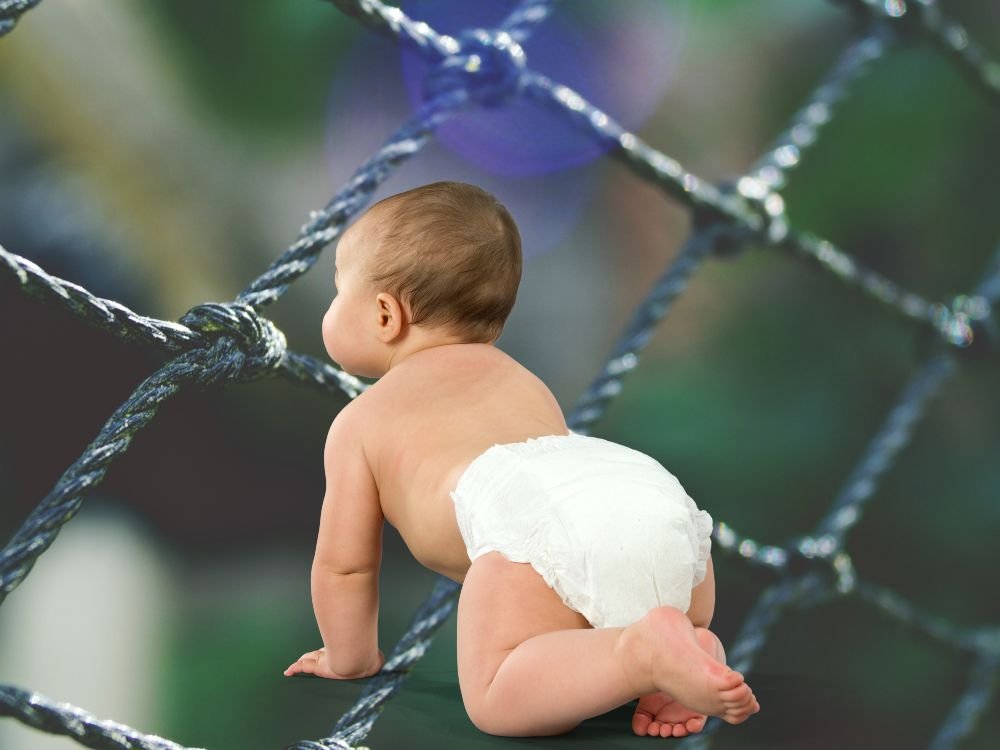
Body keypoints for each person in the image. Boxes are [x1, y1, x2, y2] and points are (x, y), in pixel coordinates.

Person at [283, 181, 760, 738]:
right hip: (645, 492)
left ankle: (643, 654)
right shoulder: (525, 383)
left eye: (341, 289)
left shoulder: (360, 423)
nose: (334, 301)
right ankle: (688, 642)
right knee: (606, 596)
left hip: (527, 526)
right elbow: (566, 503)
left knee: (497, 698)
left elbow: (347, 566)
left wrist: (349, 658)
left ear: (386, 315)